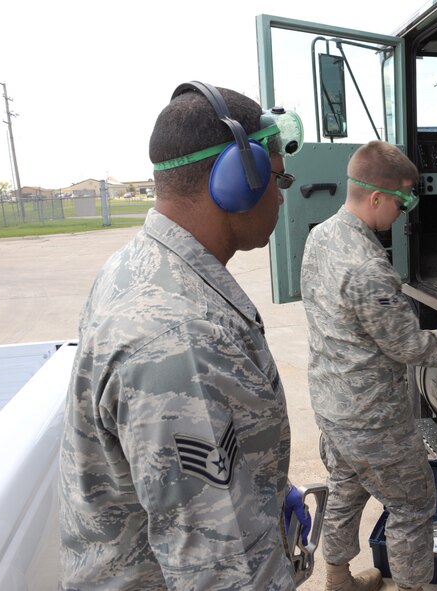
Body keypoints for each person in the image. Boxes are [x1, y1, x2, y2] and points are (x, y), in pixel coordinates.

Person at [59, 81, 307, 590]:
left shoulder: (139, 266)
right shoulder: (182, 336)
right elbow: (218, 572)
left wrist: (256, 484)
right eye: (278, 182)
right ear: (240, 182)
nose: (281, 201)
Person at [300, 140, 437, 591]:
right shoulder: (368, 266)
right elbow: (410, 347)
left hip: (333, 408)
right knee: (414, 507)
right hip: (373, 420)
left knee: (346, 488)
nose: (405, 211)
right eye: (403, 200)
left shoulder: (321, 235)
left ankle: (337, 579)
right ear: (376, 197)